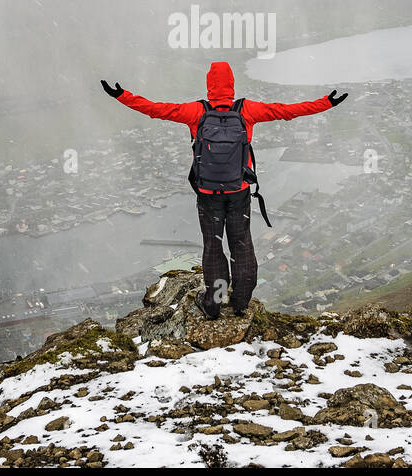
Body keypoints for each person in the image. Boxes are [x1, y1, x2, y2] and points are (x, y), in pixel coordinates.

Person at [101, 61, 347, 319]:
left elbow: (156, 110)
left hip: (208, 195)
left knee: (213, 246)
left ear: (209, 86)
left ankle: (214, 303)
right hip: (238, 191)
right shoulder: (246, 109)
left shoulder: (196, 111)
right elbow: (286, 111)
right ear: (232, 84)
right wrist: (326, 103)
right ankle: (241, 301)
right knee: (241, 244)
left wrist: (121, 95)